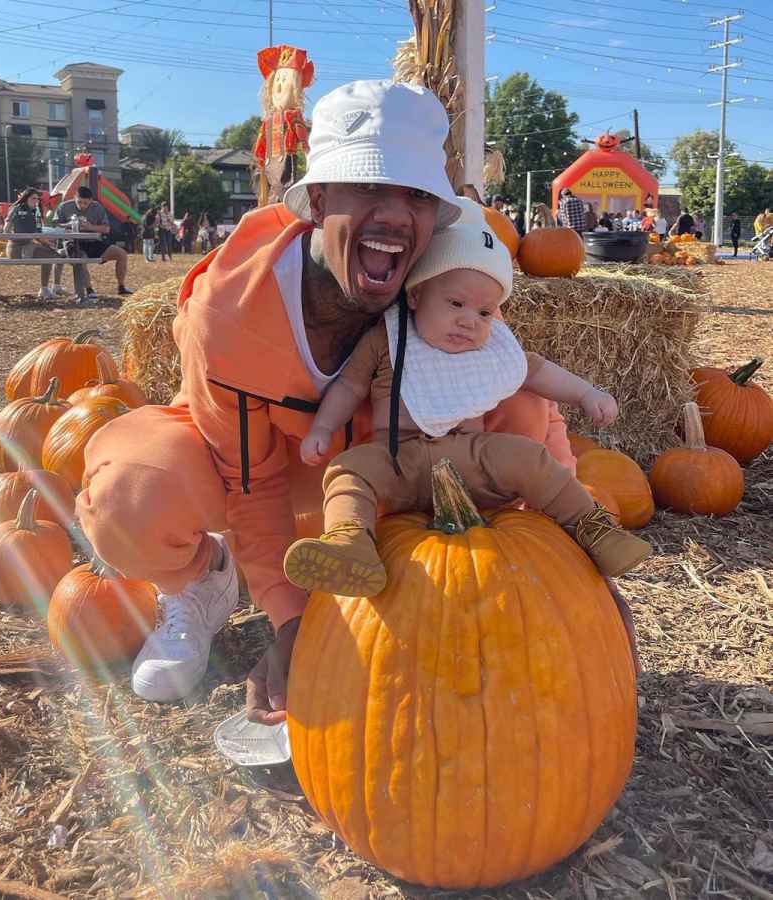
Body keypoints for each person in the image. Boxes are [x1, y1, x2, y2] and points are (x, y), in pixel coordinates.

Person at [74, 80, 638, 720]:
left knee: (514, 404)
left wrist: (579, 569)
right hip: (273, 478)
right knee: (131, 491)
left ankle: (444, 584)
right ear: (317, 199)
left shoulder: (437, 285)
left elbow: (536, 412)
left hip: (383, 475)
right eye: (369, 187)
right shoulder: (229, 313)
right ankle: (204, 582)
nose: (396, 215)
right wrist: (290, 623)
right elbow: (250, 485)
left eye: (417, 197)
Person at [284, 201, 650, 596]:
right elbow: (350, 387)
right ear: (416, 296)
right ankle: (350, 541)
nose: (468, 321)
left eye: (484, 312)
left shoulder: (491, 345)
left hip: (472, 456)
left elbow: (539, 372)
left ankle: (594, 530)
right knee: (349, 470)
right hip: (398, 460)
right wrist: (322, 427)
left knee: (530, 457)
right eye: (455, 304)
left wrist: (587, 393)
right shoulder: (387, 339)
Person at [55, 186, 133, 299]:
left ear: (91, 201)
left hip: (93, 241)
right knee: (81, 258)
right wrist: (69, 225)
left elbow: (106, 229)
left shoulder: (97, 207)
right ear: (74, 198)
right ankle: (89, 289)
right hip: (72, 241)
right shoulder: (64, 207)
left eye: (85, 203)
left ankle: (121, 287)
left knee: (121, 254)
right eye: (79, 202)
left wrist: (90, 226)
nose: (82, 206)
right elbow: (55, 225)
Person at [5, 187, 67, 301]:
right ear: (26, 199)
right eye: (33, 199)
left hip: (29, 245)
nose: (36, 202)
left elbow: (37, 232)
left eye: (37, 199)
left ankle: (53, 287)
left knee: (58, 254)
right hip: (17, 248)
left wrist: (45, 243)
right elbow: (6, 230)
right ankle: (45, 289)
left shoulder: (35, 211)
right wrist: (45, 242)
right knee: (52, 255)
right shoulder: (17, 209)